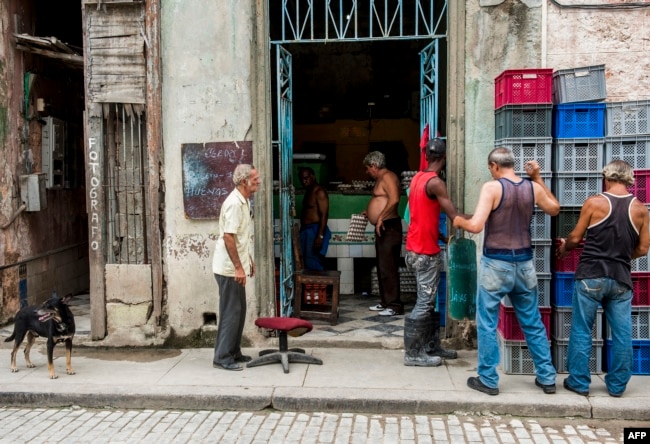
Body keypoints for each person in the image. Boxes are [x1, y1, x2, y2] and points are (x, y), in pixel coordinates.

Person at [453, 147, 559, 395]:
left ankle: (488, 380)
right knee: (532, 321)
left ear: (494, 166)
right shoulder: (531, 188)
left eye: (490, 169)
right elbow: (554, 208)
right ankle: (547, 378)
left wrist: (459, 221)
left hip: (496, 264)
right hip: (524, 264)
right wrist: (538, 179)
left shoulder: (492, 188)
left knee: (488, 322)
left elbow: (476, 226)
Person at [557, 160, 649, 397]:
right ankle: (617, 386)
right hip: (620, 278)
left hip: (590, 275)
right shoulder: (640, 209)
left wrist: (566, 247)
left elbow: (577, 238)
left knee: (581, 329)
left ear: (606, 178)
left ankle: (579, 382)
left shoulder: (594, 202)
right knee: (622, 333)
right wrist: (621, 256)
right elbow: (643, 249)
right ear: (630, 180)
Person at [404, 139, 461, 367]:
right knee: (424, 303)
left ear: (426, 156)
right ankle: (413, 353)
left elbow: (421, 217)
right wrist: (478, 218)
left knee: (430, 301)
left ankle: (430, 345)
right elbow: (453, 215)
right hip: (425, 254)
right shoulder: (436, 183)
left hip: (415, 248)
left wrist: (441, 237)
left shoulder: (417, 178)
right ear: (444, 157)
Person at [212, 164, 261, 371]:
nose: (258, 181)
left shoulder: (244, 201)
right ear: (244, 182)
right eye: (255, 179)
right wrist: (239, 268)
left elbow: (240, 237)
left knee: (239, 311)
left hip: (236, 266)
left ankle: (234, 351)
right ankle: (222, 357)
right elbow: (228, 237)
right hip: (228, 269)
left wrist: (247, 259)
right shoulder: (234, 203)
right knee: (231, 312)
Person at [362, 151, 404, 317]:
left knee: (389, 267)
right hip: (383, 226)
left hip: (389, 226)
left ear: (374, 165)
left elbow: (394, 199)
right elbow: (383, 201)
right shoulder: (381, 178)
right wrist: (370, 212)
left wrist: (380, 217)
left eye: (367, 168)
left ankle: (395, 305)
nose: (367, 172)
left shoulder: (388, 176)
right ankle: (385, 302)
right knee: (382, 266)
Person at [298, 167, 331, 271]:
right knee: (306, 262)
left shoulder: (319, 192)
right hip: (307, 231)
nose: (304, 181)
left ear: (313, 176)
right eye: (302, 179)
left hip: (315, 231)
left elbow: (324, 214)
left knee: (313, 262)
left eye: (306, 178)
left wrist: (320, 236)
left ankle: (317, 286)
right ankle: (311, 286)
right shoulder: (309, 191)